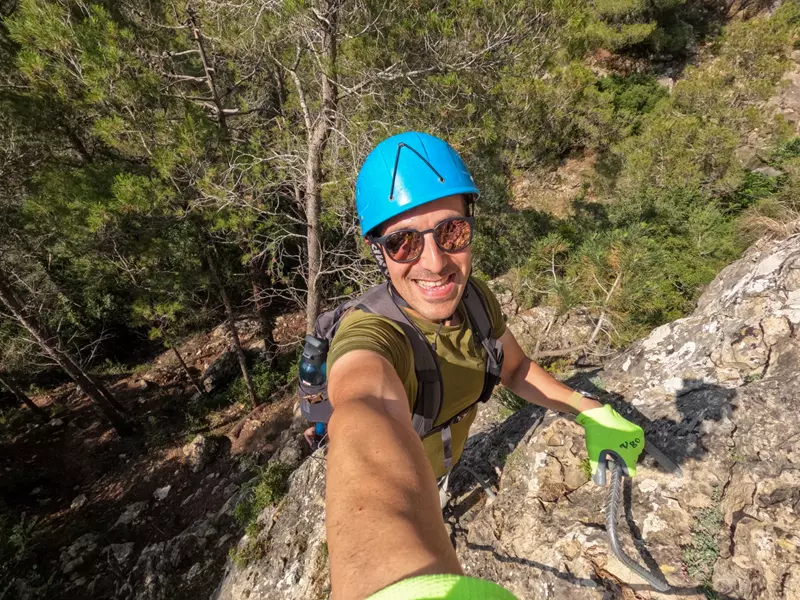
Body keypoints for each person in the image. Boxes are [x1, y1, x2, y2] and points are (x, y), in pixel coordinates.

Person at [324, 132, 645, 599]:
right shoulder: (374, 334)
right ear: (379, 252)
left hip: (445, 464)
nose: (436, 262)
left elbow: (514, 369)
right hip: (409, 483)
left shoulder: (474, 300)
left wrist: (587, 408)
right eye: (403, 243)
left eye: (451, 232)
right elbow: (364, 406)